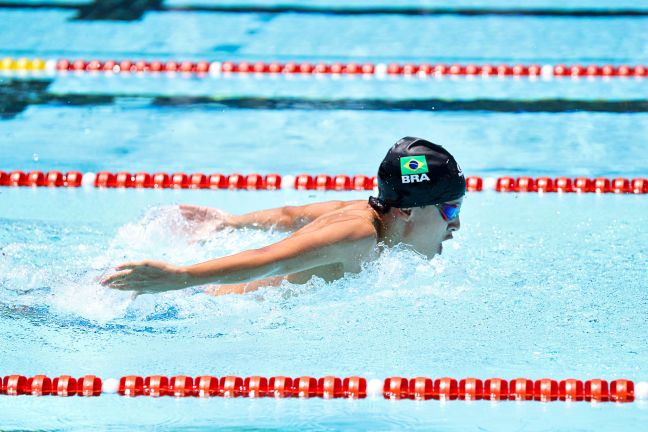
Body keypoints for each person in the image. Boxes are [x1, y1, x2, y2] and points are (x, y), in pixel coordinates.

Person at [101, 137, 466, 295]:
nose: (456, 224)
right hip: (201, 302)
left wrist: (230, 223)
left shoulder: (369, 211)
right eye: (451, 209)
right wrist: (178, 278)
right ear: (406, 209)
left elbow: (293, 214)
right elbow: (267, 260)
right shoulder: (357, 234)